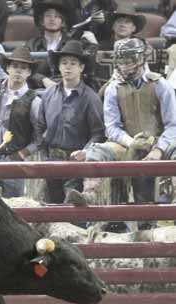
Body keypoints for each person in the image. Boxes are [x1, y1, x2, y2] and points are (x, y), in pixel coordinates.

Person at [70, 38, 176, 207]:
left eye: (130, 60)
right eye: (122, 61)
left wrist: (158, 149)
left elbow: (173, 125)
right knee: (96, 152)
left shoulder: (160, 85)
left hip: (157, 141)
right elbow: (111, 127)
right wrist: (130, 142)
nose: (126, 65)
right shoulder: (113, 88)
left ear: (141, 59)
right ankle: (89, 193)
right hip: (126, 142)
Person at [36, 40, 104, 204]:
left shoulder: (90, 98)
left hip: (76, 162)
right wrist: (43, 152)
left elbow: (98, 134)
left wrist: (85, 153)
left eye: (73, 63)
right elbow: (39, 126)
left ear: (81, 67)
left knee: (73, 209)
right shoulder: (49, 94)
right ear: (58, 67)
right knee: (52, 209)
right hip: (50, 161)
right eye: (64, 63)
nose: (68, 67)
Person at [0, 47, 41, 197]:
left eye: (23, 68)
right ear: (7, 68)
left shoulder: (34, 101)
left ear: (29, 72)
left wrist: (22, 153)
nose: (18, 71)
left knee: (14, 207)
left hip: (13, 160)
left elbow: (40, 137)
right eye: (15, 66)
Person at [26, 0, 73, 89]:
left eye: (57, 16)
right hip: (37, 89)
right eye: (48, 16)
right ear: (42, 21)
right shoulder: (31, 44)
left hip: (65, 89)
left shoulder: (70, 44)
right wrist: (43, 80)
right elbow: (25, 69)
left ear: (62, 22)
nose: (52, 19)